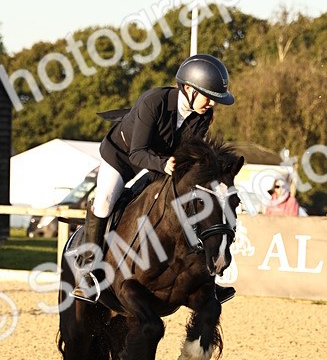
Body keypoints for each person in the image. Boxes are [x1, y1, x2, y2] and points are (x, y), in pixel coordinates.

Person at [73, 53, 235, 300]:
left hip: (160, 164)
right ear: (189, 89)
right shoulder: (154, 101)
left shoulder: (202, 116)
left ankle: (205, 279)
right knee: (105, 201)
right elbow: (138, 153)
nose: (212, 103)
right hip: (122, 156)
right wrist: (163, 164)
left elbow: (189, 151)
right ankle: (89, 271)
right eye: (209, 97)